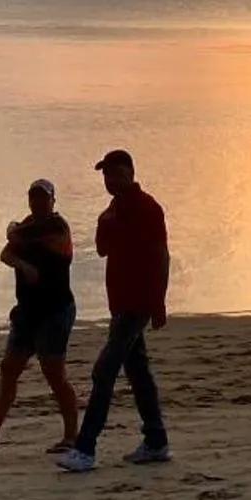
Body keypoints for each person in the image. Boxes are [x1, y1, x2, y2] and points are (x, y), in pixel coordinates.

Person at [57, 149, 171, 472]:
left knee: (104, 371)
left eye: (116, 174)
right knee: (139, 372)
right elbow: (103, 249)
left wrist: (159, 301)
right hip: (120, 303)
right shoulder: (113, 210)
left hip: (138, 303)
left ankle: (86, 447)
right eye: (106, 175)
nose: (110, 180)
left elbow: (162, 255)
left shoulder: (148, 208)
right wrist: (104, 221)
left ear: (130, 173)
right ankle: (156, 439)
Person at [0, 177, 79, 456]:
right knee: (9, 369)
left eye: (43, 197)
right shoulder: (29, 225)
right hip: (27, 310)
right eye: (33, 197)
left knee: (54, 373)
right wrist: (23, 265)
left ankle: (72, 436)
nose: (38, 201)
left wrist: (14, 231)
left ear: (53, 201)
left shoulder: (56, 226)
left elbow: (13, 235)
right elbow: (6, 252)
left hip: (55, 309)